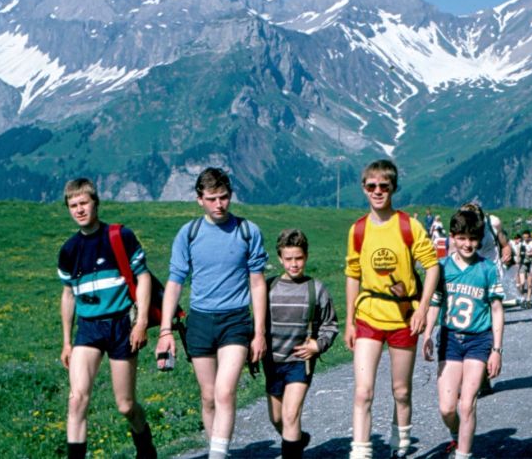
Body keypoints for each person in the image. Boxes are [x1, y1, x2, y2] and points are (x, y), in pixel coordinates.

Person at [155, 168, 268, 459]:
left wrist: (259, 332)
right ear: (199, 200)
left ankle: (217, 455)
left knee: (225, 392)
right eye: (212, 199)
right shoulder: (189, 233)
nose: (219, 204)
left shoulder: (248, 231)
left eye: (224, 197)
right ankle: (216, 449)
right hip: (201, 321)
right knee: (208, 397)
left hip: (236, 320)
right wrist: (166, 330)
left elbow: (257, 284)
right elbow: (175, 282)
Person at [344, 160, 440, 459]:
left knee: (401, 391)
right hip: (368, 315)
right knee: (363, 391)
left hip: (403, 318)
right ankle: (360, 452)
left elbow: (433, 266)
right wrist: (349, 321)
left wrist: (423, 308)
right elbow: (353, 273)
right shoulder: (358, 229)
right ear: (363, 188)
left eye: (384, 186)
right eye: (371, 186)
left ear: (393, 188)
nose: (377, 191)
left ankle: (400, 446)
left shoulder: (408, 226)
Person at [57, 178, 157, 459]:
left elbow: (143, 276)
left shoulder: (119, 236)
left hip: (120, 325)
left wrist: (140, 322)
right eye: (73, 205)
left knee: (125, 405)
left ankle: (146, 447)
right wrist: (66, 342)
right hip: (88, 328)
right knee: (77, 400)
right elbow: (68, 295)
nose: (79, 210)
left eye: (84, 203)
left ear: (96, 203)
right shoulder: (68, 250)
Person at [423, 209, 504, 459]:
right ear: (452, 237)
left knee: (467, 403)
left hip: (478, 341)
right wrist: (427, 334)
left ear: (479, 239)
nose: (467, 244)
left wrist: (497, 350)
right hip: (450, 340)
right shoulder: (443, 268)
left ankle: (463, 454)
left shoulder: (488, 269)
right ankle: (457, 436)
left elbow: (497, 310)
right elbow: (435, 304)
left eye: (472, 239)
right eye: (462, 238)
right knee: (447, 408)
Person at [264, 229, 339, 459]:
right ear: (280, 258)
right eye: (288, 259)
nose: (294, 264)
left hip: (300, 361)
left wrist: (319, 345)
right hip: (273, 361)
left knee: (290, 415)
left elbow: (330, 323)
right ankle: (298, 439)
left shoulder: (315, 289)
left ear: (306, 256)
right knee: (277, 418)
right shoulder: (268, 287)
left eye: (298, 258)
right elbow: (256, 321)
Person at [516, 230, 532, 309]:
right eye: (524, 237)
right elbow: (518, 254)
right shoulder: (520, 244)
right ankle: (522, 298)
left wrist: (531, 253)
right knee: (522, 283)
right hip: (523, 264)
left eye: (527, 237)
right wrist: (518, 262)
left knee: (529, 284)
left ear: (529, 236)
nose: (525, 238)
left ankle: (528, 300)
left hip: (530, 264)